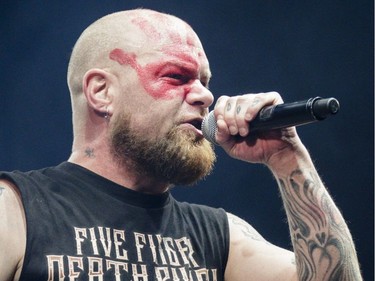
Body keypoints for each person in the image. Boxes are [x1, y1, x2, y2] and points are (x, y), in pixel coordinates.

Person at [0, 8, 362, 281]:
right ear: (101, 91)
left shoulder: (220, 238)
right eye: (176, 77)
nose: (205, 95)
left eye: (204, 81)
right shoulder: (15, 210)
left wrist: (287, 158)